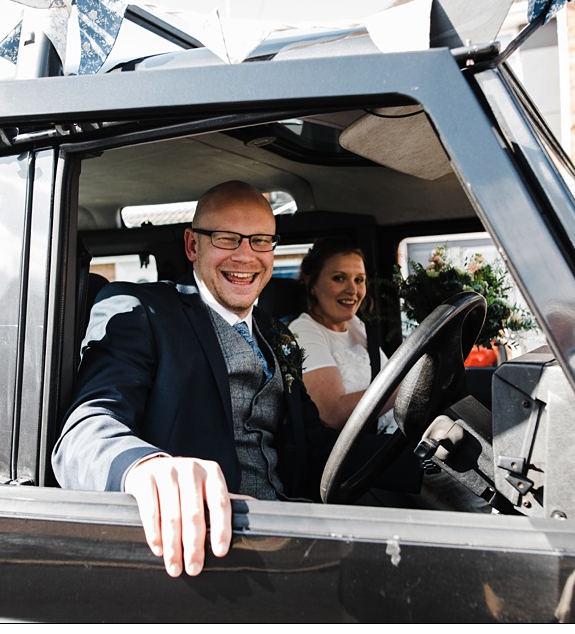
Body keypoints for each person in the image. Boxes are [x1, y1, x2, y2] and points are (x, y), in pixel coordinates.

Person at [54, 180, 321, 578]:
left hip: (297, 528)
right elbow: (85, 429)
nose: (246, 256)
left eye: (261, 240)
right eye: (228, 239)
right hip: (207, 548)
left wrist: (418, 453)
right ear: (193, 246)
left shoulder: (276, 333)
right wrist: (145, 467)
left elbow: (314, 438)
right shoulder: (140, 311)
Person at [288, 236, 395, 432]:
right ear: (311, 284)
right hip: (359, 454)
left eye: (359, 280)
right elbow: (332, 414)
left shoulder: (356, 325)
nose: (352, 290)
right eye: (339, 278)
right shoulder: (303, 331)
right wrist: (405, 388)